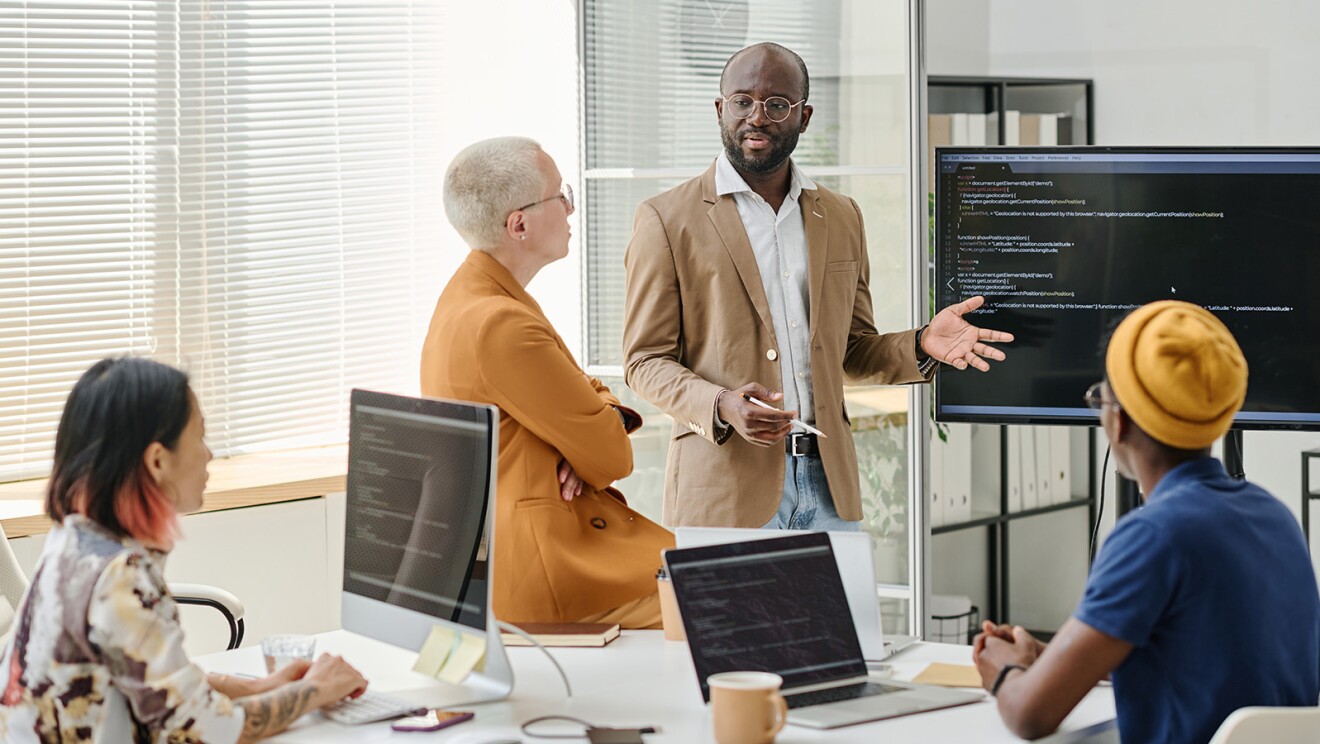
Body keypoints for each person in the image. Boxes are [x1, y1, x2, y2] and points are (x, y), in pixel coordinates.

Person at [623, 42, 1013, 530]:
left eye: (777, 104)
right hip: (724, 487)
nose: (758, 117)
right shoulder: (665, 219)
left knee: (838, 612)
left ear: (803, 117)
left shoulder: (842, 215)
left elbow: (851, 351)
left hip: (829, 488)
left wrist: (921, 343)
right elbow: (644, 362)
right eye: (742, 101)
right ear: (720, 110)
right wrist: (720, 405)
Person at [972, 300, 1320, 743]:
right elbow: (1195, 665)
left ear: (1117, 421)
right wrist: (1049, 657)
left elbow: (1030, 716)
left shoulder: (1152, 536)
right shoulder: (1273, 515)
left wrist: (1004, 671)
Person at [0, 357, 367, 743]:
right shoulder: (121, 578)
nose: (208, 455)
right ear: (158, 460)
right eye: (201, 436)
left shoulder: (74, 539)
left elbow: (152, 680)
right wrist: (318, 689)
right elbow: (207, 730)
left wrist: (260, 688)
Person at [422, 136, 674, 629]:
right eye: (561, 197)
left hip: (514, 552)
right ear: (519, 224)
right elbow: (612, 456)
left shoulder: (468, 297)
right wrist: (586, 434)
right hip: (554, 572)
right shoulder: (502, 324)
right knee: (743, 600)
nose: (571, 209)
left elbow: (579, 426)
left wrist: (575, 437)